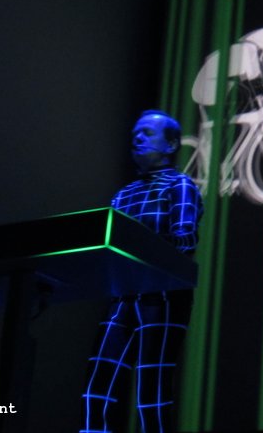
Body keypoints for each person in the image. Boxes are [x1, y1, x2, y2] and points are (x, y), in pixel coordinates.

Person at [81, 110, 204, 433]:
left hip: (163, 295)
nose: (137, 137)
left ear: (171, 144)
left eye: (148, 133)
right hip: (123, 296)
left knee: (152, 391)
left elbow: (185, 238)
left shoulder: (179, 185)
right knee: (97, 387)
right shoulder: (123, 195)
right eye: (136, 132)